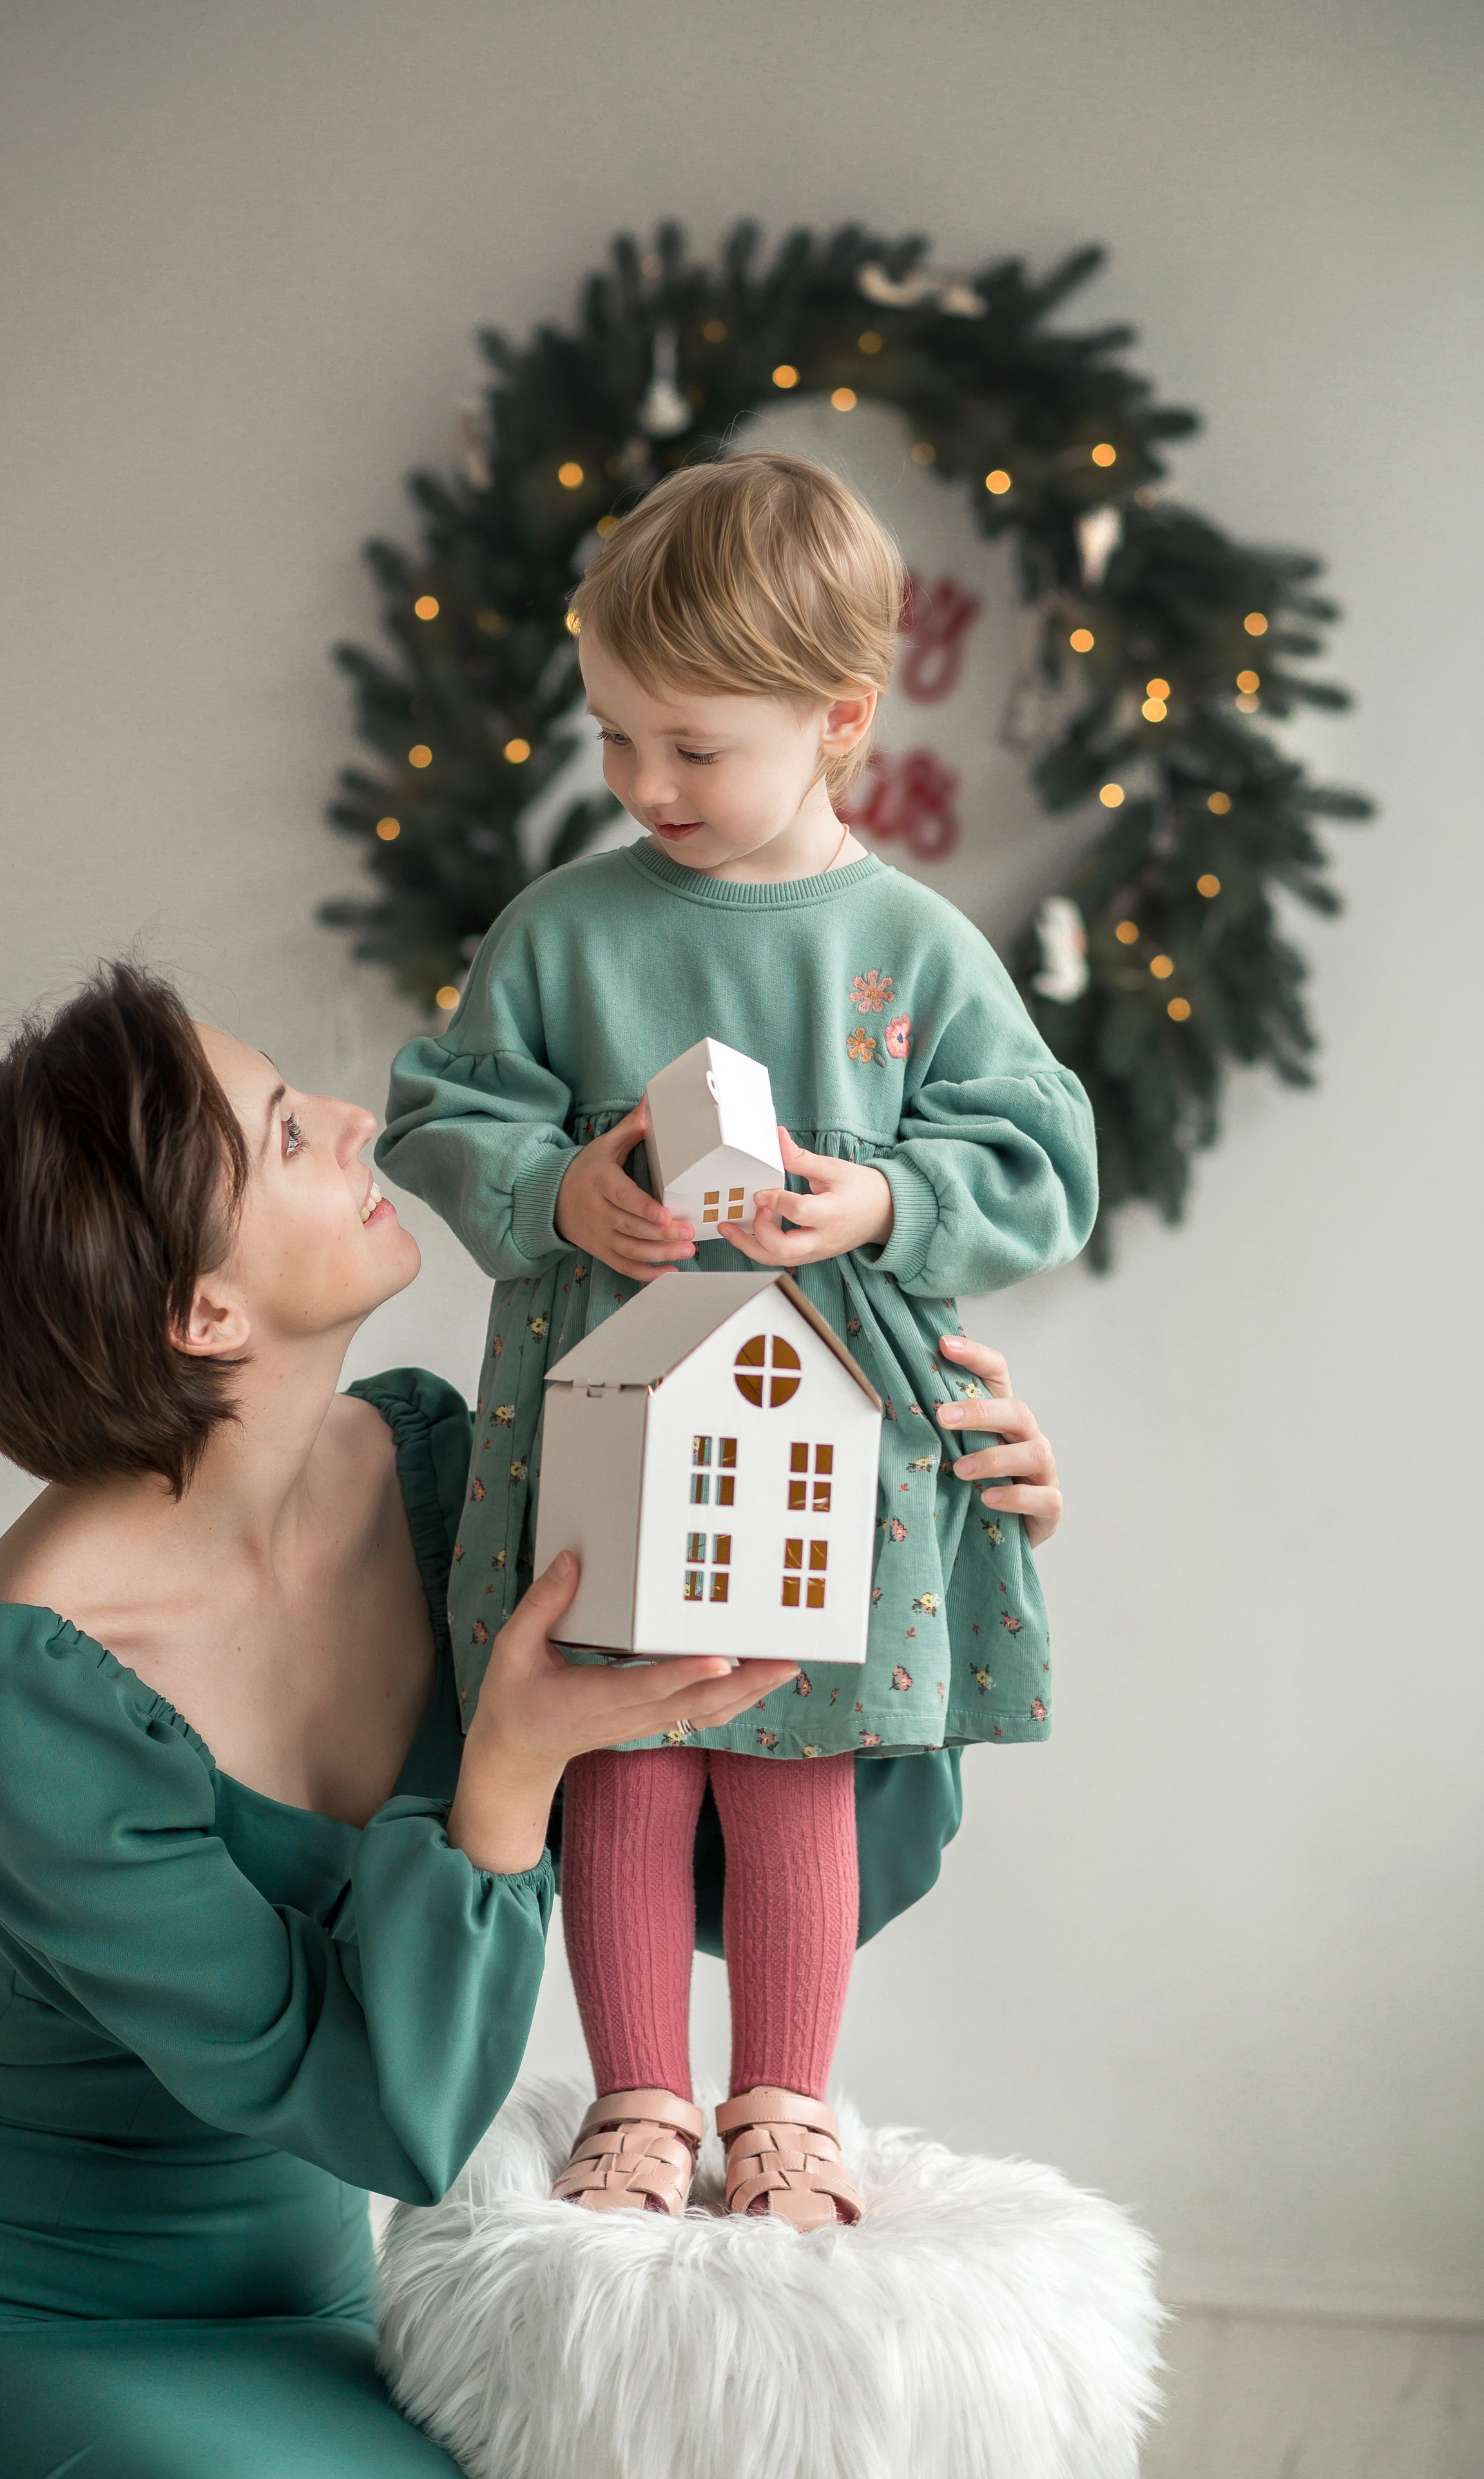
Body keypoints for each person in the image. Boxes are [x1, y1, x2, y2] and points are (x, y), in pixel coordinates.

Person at [0, 962, 798, 2476]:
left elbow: (725, 1853)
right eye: (288, 1133)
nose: (360, 1122)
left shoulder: (436, 1475)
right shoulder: (21, 1678)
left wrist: (937, 1522)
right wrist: (506, 1765)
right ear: (200, 1307)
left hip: (302, 2308)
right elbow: (383, 2113)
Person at [377, 450, 1098, 2227]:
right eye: (616, 737)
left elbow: (1037, 1157)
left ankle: (785, 2101)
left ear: (840, 719)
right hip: (605, 1436)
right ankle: (641, 2102)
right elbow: (438, 1114)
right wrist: (560, 1197)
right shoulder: (564, 928)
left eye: (694, 747)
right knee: (622, 1742)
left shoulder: (913, 952)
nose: (643, 783)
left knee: (794, 1751)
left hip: (824, 1446)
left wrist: (877, 1205)